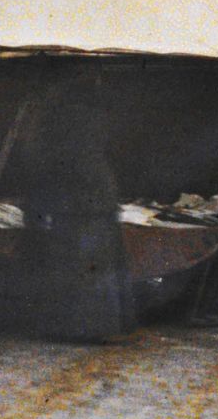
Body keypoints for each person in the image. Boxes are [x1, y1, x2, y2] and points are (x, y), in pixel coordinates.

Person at [8, 65, 135, 342]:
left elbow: (56, 158)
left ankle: (84, 328)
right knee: (91, 266)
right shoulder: (86, 112)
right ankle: (91, 327)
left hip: (81, 199)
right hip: (90, 197)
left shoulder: (63, 114)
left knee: (83, 265)